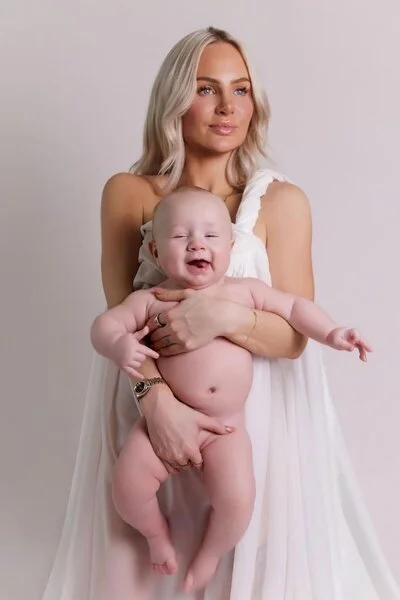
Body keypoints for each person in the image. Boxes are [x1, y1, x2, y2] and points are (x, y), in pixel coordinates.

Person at [41, 26, 400, 600]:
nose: (228, 106)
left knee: (243, 547)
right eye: (207, 89)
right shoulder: (130, 193)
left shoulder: (282, 201)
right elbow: (118, 319)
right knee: (144, 556)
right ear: (175, 99)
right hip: (151, 411)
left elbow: (293, 336)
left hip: (248, 419)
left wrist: (222, 318)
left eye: (241, 89)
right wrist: (157, 404)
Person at [90, 186, 371, 593]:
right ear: (154, 250)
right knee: (127, 489)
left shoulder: (243, 291)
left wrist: (332, 332)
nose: (196, 244)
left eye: (210, 235)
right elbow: (105, 325)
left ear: (231, 246)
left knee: (239, 501)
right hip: (161, 423)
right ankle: (156, 535)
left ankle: (209, 555)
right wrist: (118, 344)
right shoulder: (149, 299)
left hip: (225, 428)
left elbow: (294, 308)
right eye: (180, 236)